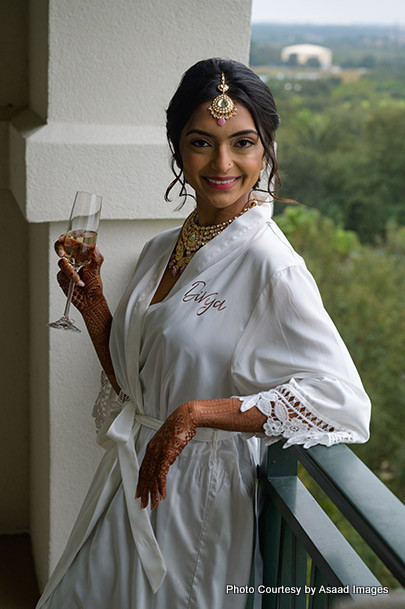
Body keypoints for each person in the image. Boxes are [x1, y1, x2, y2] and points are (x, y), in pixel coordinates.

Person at [36, 58, 371, 609]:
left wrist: (196, 413)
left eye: (243, 143)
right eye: (201, 142)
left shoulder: (272, 266)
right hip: (130, 485)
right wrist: (92, 302)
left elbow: (343, 403)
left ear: (265, 152)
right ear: (177, 149)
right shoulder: (158, 250)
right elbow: (135, 383)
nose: (223, 162)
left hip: (200, 500)